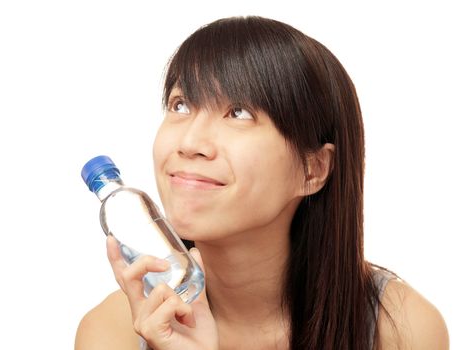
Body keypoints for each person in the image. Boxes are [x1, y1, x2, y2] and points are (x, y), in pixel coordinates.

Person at [75, 16, 449, 350]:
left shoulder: (401, 329)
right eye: (180, 105)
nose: (189, 143)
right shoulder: (113, 333)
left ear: (313, 169)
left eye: (238, 113)